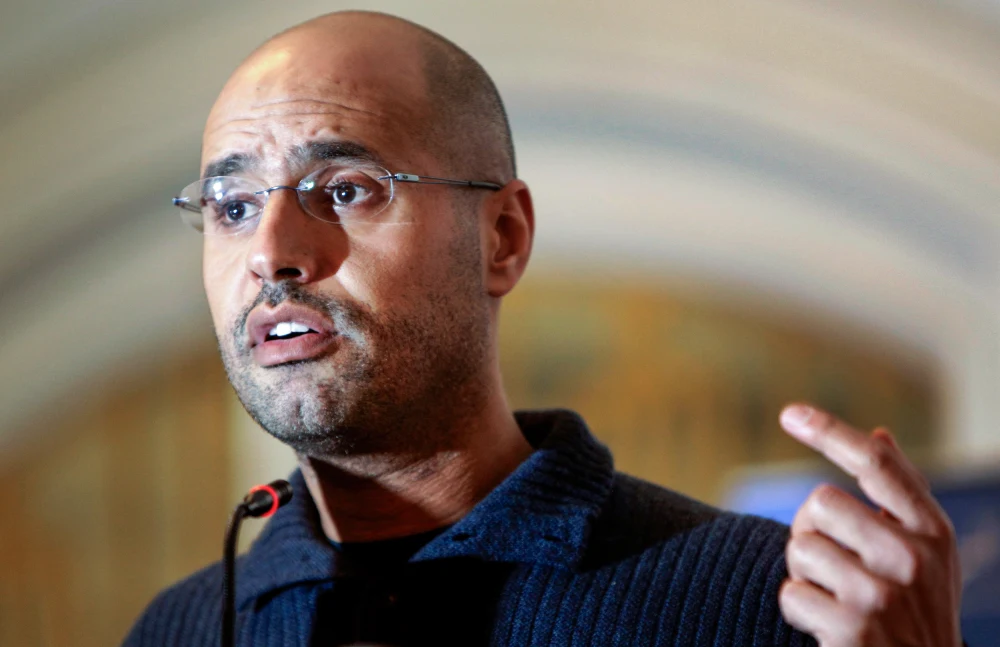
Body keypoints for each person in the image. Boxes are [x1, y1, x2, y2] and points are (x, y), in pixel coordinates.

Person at [123, 11, 964, 646]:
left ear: (502, 237)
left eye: (345, 189)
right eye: (232, 206)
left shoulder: (770, 601)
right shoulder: (180, 628)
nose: (271, 253)